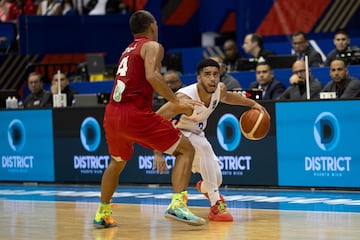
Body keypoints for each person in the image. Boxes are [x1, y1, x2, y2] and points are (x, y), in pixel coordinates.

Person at [92, 10, 206, 228]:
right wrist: (176, 102)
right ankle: (177, 204)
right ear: (153, 26)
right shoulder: (152, 46)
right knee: (186, 150)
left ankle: (102, 212)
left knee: (116, 162)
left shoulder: (127, 50)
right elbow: (152, 76)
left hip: (113, 114)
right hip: (134, 113)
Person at [153, 58, 268, 222]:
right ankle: (216, 206)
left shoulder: (219, 89)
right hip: (176, 135)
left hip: (196, 134)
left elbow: (228, 97)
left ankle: (206, 188)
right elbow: (156, 120)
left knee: (216, 178)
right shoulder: (183, 99)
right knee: (204, 148)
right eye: (207, 75)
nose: (212, 78)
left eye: (215, 74)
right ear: (198, 78)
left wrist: (252, 104)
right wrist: (157, 153)